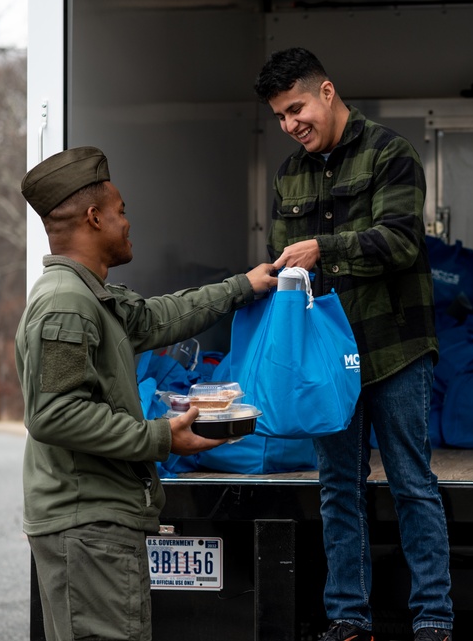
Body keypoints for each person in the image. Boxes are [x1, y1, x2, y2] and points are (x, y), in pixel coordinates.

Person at [16, 146, 277, 641]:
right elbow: (55, 415)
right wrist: (161, 437)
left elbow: (161, 317)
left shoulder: (91, 296)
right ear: (94, 218)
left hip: (97, 521)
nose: (128, 222)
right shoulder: (66, 304)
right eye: (121, 212)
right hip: (87, 524)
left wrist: (243, 285)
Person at [254, 47, 454, 641]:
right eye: (280, 118)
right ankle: (348, 619)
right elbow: (288, 265)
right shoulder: (289, 174)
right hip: (326, 361)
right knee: (337, 486)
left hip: (395, 347)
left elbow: (401, 243)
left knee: (412, 482)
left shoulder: (392, 153)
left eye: (296, 110)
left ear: (327, 92)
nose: (291, 126)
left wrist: (325, 248)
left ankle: (434, 619)